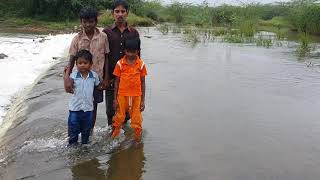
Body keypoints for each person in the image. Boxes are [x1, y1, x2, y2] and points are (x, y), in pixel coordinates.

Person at [64, 7, 110, 131]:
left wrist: (106, 78)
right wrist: (67, 78)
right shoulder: (77, 38)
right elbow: (71, 59)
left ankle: (89, 132)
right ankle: (75, 130)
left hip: (96, 80)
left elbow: (107, 57)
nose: (88, 24)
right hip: (79, 80)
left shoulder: (103, 37)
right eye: (85, 22)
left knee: (92, 107)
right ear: (81, 22)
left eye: (91, 21)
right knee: (77, 104)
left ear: (96, 22)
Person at [103, 0, 140, 127]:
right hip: (111, 79)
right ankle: (112, 138)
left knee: (126, 112)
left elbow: (137, 57)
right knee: (111, 110)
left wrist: (138, 79)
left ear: (127, 13)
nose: (120, 14)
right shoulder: (106, 32)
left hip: (128, 80)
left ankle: (124, 143)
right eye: (117, 11)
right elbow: (105, 56)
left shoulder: (134, 32)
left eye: (123, 11)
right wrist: (106, 78)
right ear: (112, 14)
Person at [111, 37, 147, 141]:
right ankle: (114, 136)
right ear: (125, 51)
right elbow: (116, 82)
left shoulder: (141, 64)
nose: (131, 54)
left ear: (138, 51)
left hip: (136, 96)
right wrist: (114, 99)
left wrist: (143, 100)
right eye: (128, 51)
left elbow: (143, 82)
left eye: (133, 52)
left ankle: (137, 140)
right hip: (122, 95)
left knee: (136, 118)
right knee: (119, 116)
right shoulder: (119, 64)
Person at [67, 50, 101, 145]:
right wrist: (66, 74)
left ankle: (85, 146)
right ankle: (73, 147)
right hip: (75, 109)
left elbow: (98, 85)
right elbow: (67, 87)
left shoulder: (94, 76)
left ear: (90, 64)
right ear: (76, 64)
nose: (82, 65)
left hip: (88, 110)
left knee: (86, 130)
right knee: (73, 130)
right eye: (80, 63)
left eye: (85, 63)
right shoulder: (73, 76)